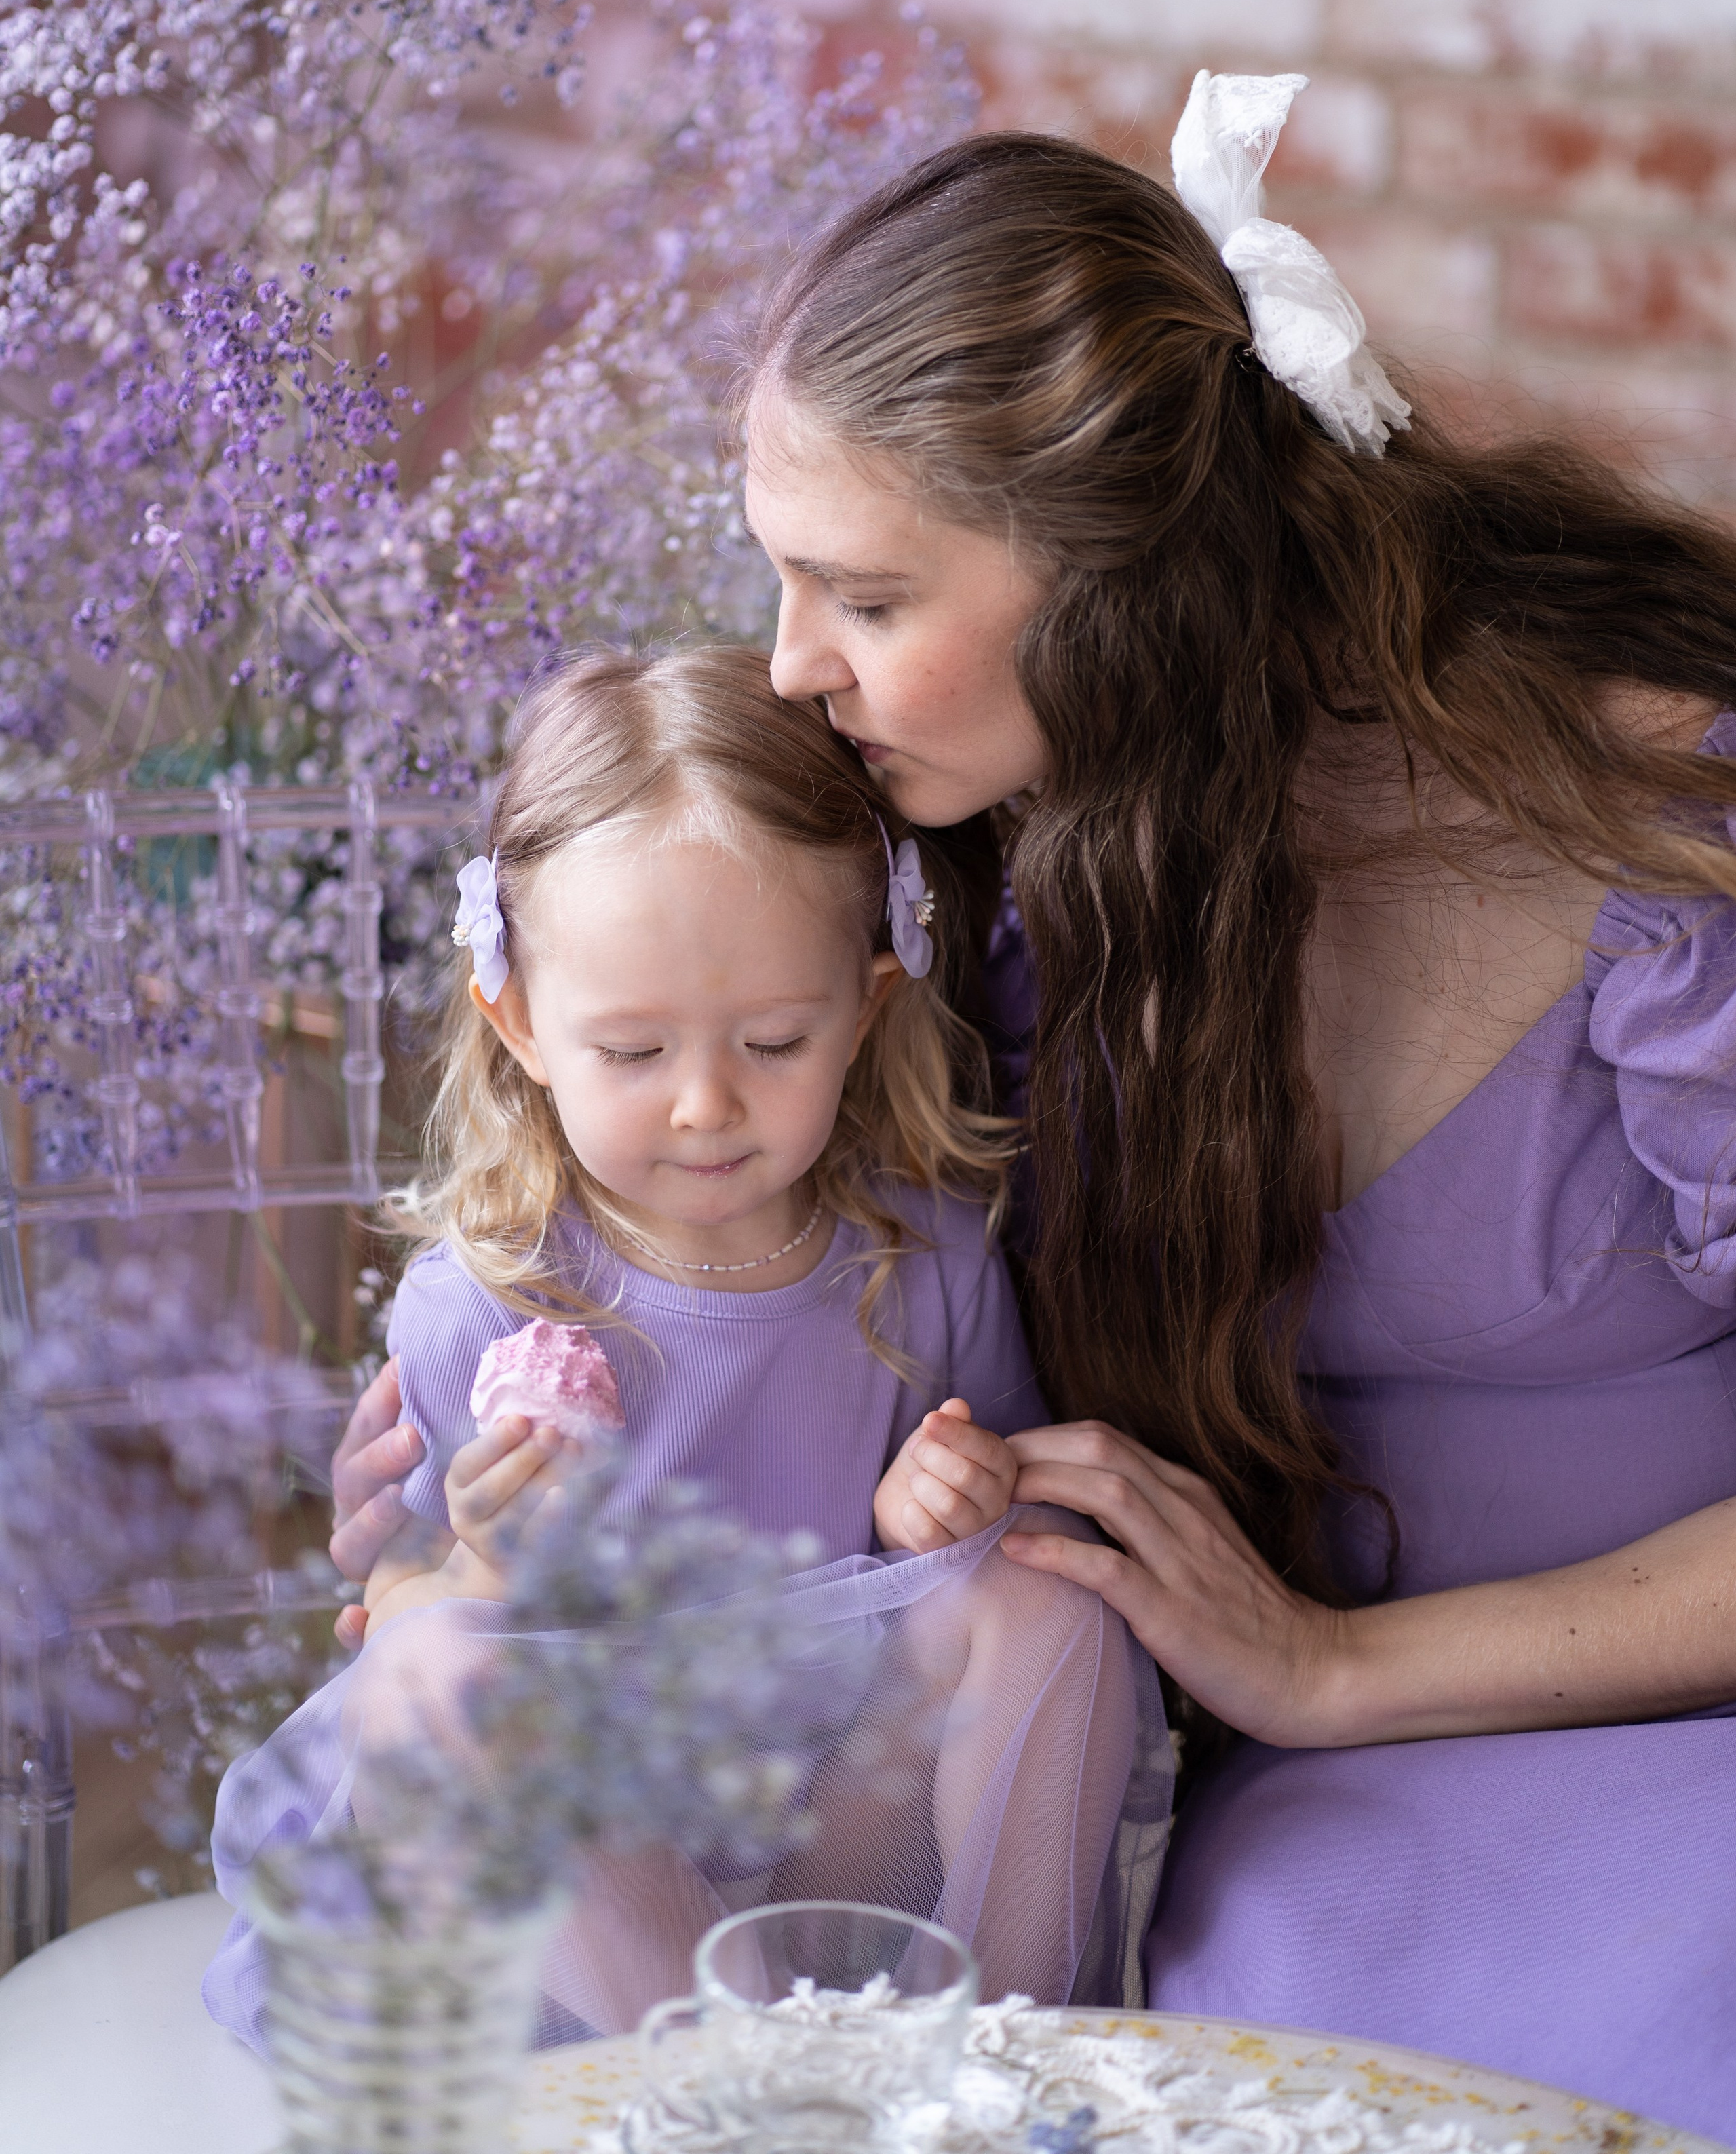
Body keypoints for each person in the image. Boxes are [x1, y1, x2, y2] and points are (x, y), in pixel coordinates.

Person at [329, 71, 1736, 2140]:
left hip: (1657, 1737)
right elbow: (813, 1326)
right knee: (1239, 2059)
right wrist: (472, 1532)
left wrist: (1334, 1670)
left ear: (1121, 588)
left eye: (870, 599)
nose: (791, 667)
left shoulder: (1655, 833)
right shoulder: (1008, 860)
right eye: (783, 577)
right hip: (1296, 1794)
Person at [206, 645, 1155, 2049]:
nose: (706, 1105)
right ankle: (739, 2097)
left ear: (864, 1008)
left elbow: (1013, 1527)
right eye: (633, 1054)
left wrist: (955, 1502)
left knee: (1048, 1606)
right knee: (441, 1682)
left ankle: (995, 2058)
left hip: (833, 1832)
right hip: (589, 1903)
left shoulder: (925, 1257)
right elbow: (407, 1614)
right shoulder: (489, 1300)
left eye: (772, 1042)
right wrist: (486, 1557)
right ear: (522, 1025)